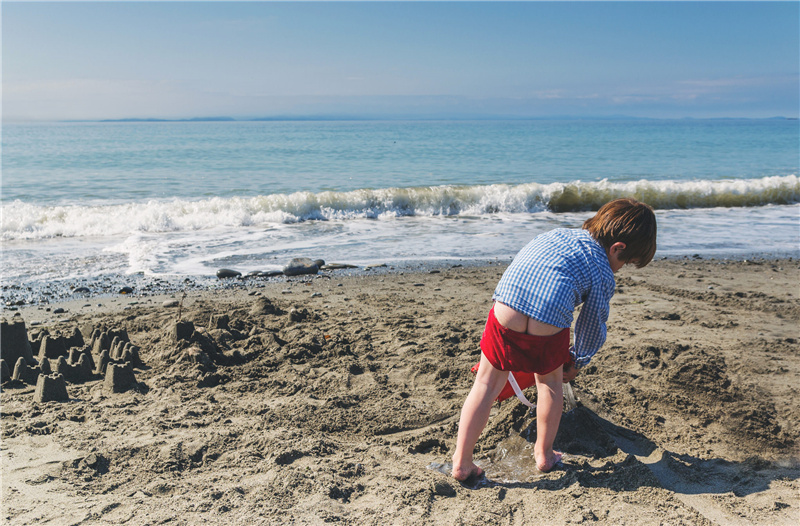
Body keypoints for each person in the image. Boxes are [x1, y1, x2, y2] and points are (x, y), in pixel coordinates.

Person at [451, 197, 657, 482]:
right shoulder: (602, 270)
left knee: (485, 384)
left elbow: (524, 264)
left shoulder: (556, 234)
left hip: (505, 308)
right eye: (626, 262)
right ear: (617, 248)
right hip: (547, 320)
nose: (621, 269)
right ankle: (544, 454)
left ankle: (462, 461)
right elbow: (592, 322)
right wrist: (577, 359)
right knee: (549, 383)